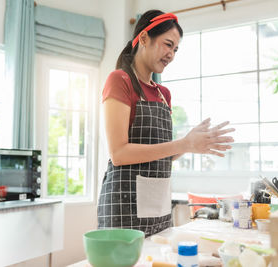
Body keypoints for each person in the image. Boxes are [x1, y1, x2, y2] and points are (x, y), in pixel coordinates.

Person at [98, 9, 235, 237]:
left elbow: (161, 153)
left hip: (159, 206)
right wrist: (182, 144)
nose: (171, 54)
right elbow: (119, 153)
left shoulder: (164, 94)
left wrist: (191, 145)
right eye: (167, 44)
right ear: (143, 38)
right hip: (123, 205)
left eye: (175, 49)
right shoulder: (119, 80)